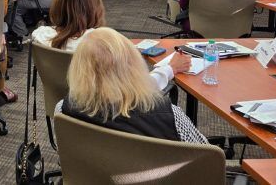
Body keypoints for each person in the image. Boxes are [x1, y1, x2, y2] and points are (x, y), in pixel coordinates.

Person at [32, 0, 191, 90]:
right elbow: (140, 89)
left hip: (64, 117)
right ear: (95, 5)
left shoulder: (40, 36)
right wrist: (170, 69)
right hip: (105, 120)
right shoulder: (105, 45)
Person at [56, 28, 207, 144]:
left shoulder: (63, 110)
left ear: (78, 69)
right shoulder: (170, 117)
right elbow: (208, 159)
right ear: (134, 66)